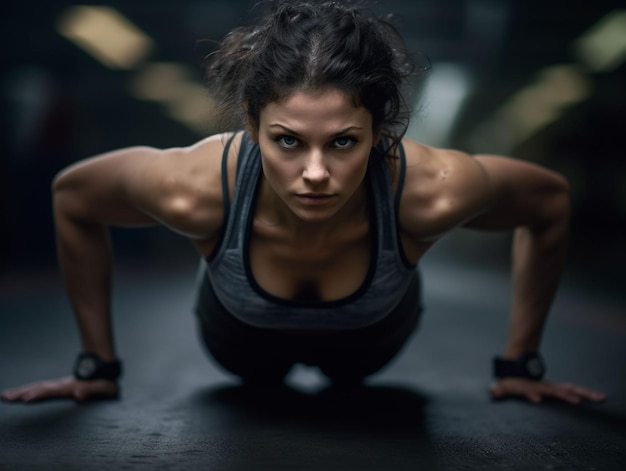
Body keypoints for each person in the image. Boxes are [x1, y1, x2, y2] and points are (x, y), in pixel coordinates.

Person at [1, 0, 606, 405]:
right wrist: (97, 366)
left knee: (353, 384)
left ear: (380, 130)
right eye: (287, 141)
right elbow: (74, 196)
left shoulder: (432, 188)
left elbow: (547, 202)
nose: (315, 173)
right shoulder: (192, 184)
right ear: (251, 122)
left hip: (372, 342)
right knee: (256, 383)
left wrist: (519, 362)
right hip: (239, 340)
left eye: (344, 142)